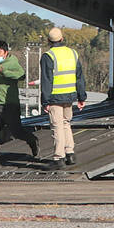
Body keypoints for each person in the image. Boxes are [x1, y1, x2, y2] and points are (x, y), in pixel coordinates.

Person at [0, 40, 39, 172]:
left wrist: (6, 73)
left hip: (10, 104)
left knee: (17, 132)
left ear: (6, 52)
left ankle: (32, 139)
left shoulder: (12, 62)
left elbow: (21, 75)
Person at [40, 28, 86, 170]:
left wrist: (45, 101)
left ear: (49, 41)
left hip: (55, 97)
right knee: (66, 123)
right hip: (70, 95)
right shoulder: (72, 53)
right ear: (62, 38)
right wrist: (81, 96)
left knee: (57, 126)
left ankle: (58, 158)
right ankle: (70, 153)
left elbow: (46, 80)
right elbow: (79, 76)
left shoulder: (48, 56)